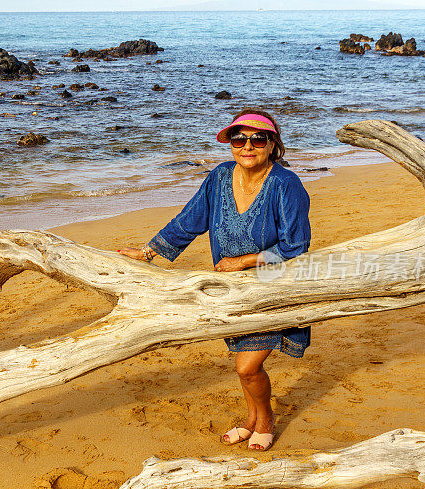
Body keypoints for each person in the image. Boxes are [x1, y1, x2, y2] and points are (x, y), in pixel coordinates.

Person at [118, 109, 311, 451]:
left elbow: (296, 246)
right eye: (239, 139)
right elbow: (189, 220)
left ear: (272, 145)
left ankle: (264, 420)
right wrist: (149, 252)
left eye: (257, 139)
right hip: (231, 290)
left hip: (275, 287)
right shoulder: (221, 177)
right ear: (231, 144)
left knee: (247, 366)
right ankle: (251, 421)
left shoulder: (286, 184)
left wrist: (244, 261)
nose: (247, 146)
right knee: (243, 358)